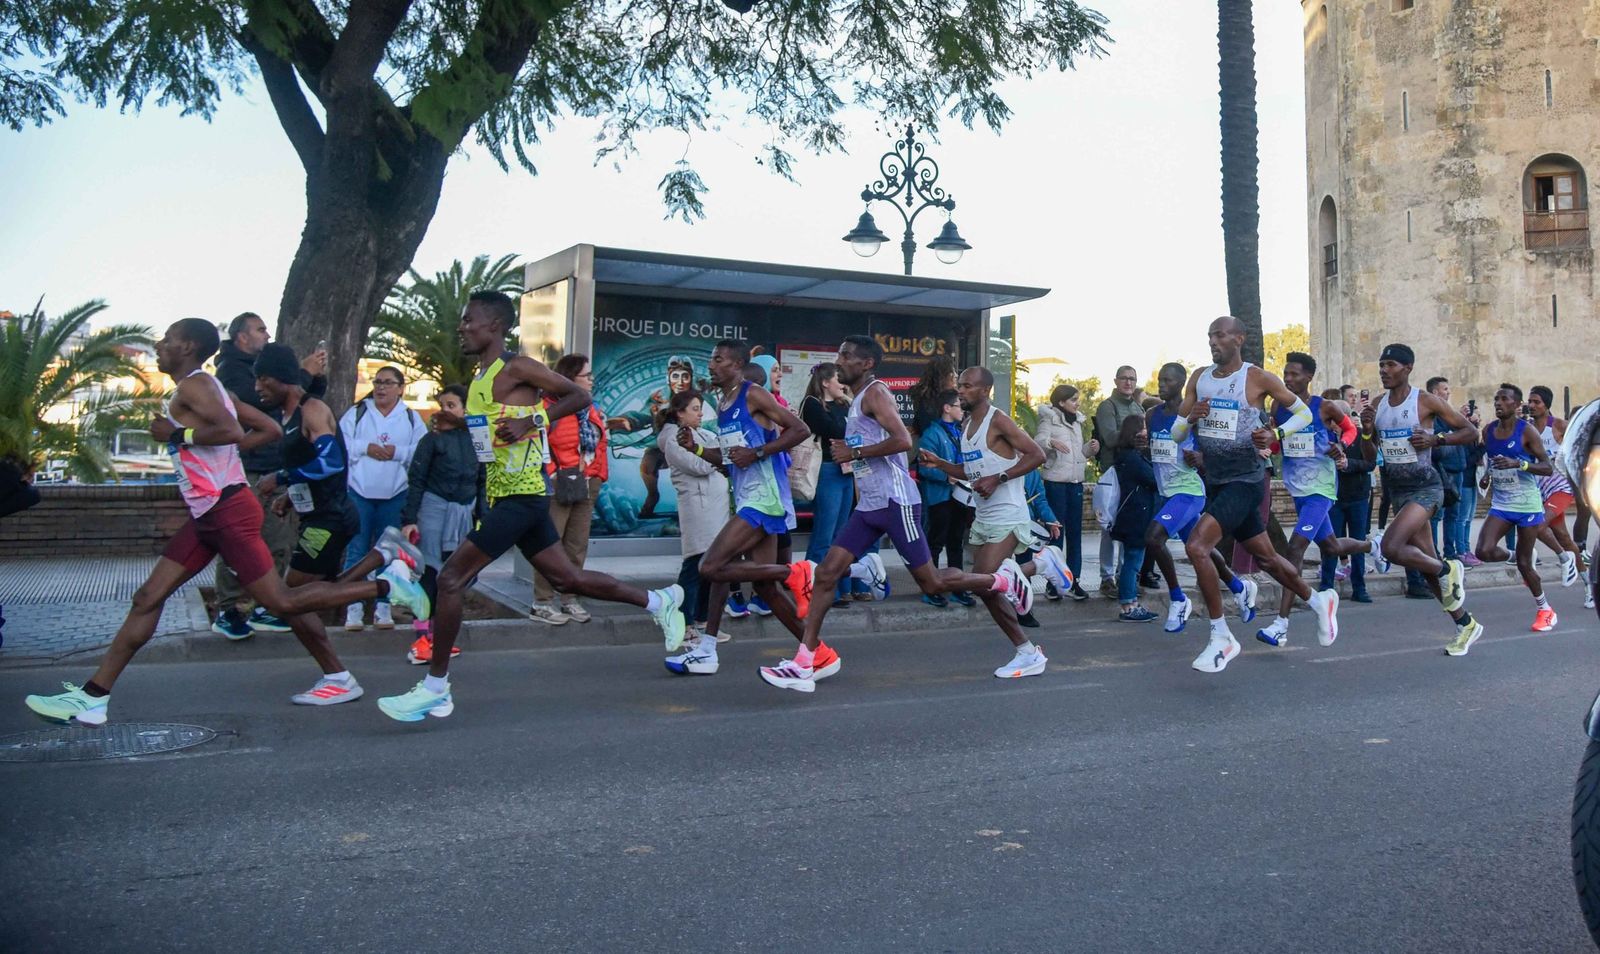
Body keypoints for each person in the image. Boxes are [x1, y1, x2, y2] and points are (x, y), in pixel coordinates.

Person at [24, 320, 427, 726]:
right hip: (209, 513)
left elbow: (232, 430)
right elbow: (266, 429)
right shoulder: (214, 388)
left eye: (166, 340)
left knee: (281, 602)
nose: (159, 346)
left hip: (227, 511)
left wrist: (179, 436)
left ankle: (387, 586)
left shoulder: (195, 387)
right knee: (148, 596)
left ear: (186, 347)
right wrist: (226, 463)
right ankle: (94, 697)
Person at [375, 293, 684, 721]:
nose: (462, 327)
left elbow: (577, 396)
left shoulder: (515, 367)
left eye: (469, 320)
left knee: (450, 580)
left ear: (495, 326)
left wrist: (533, 420)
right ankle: (659, 602)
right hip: (509, 495)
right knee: (566, 577)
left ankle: (435, 687)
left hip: (523, 495)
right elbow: (493, 433)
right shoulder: (480, 376)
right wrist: (460, 424)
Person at [759, 345, 1045, 693]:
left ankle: (1000, 583)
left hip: (897, 504)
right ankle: (810, 658)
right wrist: (937, 464)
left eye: (848, 355)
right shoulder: (858, 400)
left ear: (867, 363)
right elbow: (964, 467)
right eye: (839, 356)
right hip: (871, 506)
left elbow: (900, 441)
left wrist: (855, 452)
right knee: (827, 572)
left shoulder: (876, 393)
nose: (840, 361)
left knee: (933, 584)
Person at [250, 342, 419, 706]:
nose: (257, 387)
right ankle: (382, 558)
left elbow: (331, 463)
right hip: (319, 516)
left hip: (329, 521)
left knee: (288, 600)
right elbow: (312, 469)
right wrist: (290, 493)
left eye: (263, 379)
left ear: (282, 377)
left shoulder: (312, 410)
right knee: (304, 601)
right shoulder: (289, 413)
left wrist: (280, 476)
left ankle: (387, 588)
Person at [1174, 317, 1339, 674]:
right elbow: (1176, 432)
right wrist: (1191, 418)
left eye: (1219, 335)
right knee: (1266, 559)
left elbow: (1299, 412)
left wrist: (1275, 434)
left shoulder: (1256, 377)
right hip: (1216, 478)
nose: (1213, 342)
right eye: (1209, 336)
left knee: (1197, 547)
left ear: (1239, 339)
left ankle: (1221, 636)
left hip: (1247, 480)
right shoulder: (1199, 377)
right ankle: (1318, 601)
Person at [671, 339, 818, 678]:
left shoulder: (753, 394)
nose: (710, 365)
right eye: (710, 358)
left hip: (764, 499)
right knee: (758, 585)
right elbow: (728, 461)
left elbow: (800, 429)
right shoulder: (723, 404)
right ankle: (815, 652)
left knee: (711, 566)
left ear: (736, 365)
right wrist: (695, 448)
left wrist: (759, 453)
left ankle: (797, 573)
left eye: (718, 359)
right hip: (746, 496)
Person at [209, 310, 328, 639]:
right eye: (260, 330)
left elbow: (301, 398)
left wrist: (315, 376)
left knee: (278, 541)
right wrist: (303, 372)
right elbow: (260, 404)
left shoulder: (262, 367)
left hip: (276, 468)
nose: (266, 335)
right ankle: (230, 609)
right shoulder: (232, 371)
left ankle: (265, 606)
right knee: (242, 539)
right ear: (241, 338)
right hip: (249, 469)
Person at [1362, 342, 1482, 656]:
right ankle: (1465, 623)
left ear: (1408, 368)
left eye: (1391, 365)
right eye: (1382, 365)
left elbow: (1470, 432)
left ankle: (1449, 570)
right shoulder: (1378, 405)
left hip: (1426, 488)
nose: (1384, 370)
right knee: (1428, 571)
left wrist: (1435, 439)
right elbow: (1369, 455)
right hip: (1398, 491)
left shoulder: (1425, 401)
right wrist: (1364, 432)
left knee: (1391, 547)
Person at [1254, 352, 1371, 648]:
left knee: (1295, 549)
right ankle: (1375, 546)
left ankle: (1281, 624)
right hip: (1298, 489)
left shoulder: (1324, 406)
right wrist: (1271, 445)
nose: (1289, 379)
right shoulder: (1279, 406)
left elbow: (1350, 429)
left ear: (1308, 377)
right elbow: (1282, 443)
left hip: (1321, 489)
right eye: (1286, 374)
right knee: (1330, 546)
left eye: (1295, 374)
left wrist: (1341, 447)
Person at [1142, 362, 1258, 634]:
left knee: (1153, 538)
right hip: (1167, 491)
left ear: (1182, 384)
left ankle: (1177, 598)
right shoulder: (1151, 415)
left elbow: (1216, 448)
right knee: (1202, 548)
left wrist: (1202, 458)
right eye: (1160, 379)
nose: (1162, 384)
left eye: (1168, 380)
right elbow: (1157, 452)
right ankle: (1239, 587)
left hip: (1190, 491)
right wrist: (1144, 449)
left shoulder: (1196, 413)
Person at [399, 384, 484, 666]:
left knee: (454, 575)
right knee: (429, 574)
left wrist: (482, 516)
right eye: (442, 405)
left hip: (464, 512)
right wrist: (410, 519)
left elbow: (483, 479)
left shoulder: (478, 437)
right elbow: (417, 480)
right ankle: (421, 639)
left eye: (452, 405)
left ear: (465, 408)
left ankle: (441, 638)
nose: (445, 411)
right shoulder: (431, 440)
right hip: (433, 510)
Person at [339, 365, 428, 630]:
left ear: (401, 388)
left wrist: (396, 452)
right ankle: (353, 610)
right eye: (378, 382)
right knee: (356, 550)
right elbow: (341, 445)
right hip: (359, 492)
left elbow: (421, 453)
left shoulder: (411, 418)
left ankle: (383, 608)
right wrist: (367, 448)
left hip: (394, 494)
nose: (381, 387)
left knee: (388, 554)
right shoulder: (357, 412)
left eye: (388, 383)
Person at [529, 353, 609, 624]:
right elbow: (538, 444)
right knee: (552, 544)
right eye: (586, 375)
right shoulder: (547, 407)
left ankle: (569, 598)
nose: (591, 380)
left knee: (577, 545)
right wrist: (552, 474)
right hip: (560, 482)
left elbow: (599, 443)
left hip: (587, 482)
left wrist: (596, 474)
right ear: (569, 379)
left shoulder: (591, 408)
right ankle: (542, 601)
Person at [1474, 384, 1559, 632]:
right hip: (1501, 503)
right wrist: (1488, 477)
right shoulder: (1488, 430)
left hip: (1527, 504)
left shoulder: (1527, 432)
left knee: (1525, 565)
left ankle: (1545, 609)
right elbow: (1492, 459)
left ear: (1516, 405)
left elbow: (1547, 467)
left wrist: (1519, 464)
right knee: (1484, 551)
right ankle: (1511, 555)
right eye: (1496, 399)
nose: (1498, 403)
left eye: (1504, 399)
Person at [658, 388, 732, 659]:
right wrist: (717, 456)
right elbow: (700, 464)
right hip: (698, 508)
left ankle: (701, 619)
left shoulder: (702, 434)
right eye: (694, 409)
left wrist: (716, 454)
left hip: (717, 507)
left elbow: (719, 452)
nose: (700, 413)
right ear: (679, 413)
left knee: (711, 565)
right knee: (694, 564)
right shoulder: (672, 438)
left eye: (701, 408)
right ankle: (684, 621)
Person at [800, 362, 871, 605]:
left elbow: (858, 430)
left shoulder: (844, 405)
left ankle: (838, 587)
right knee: (824, 533)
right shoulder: (812, 404)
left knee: (842, 535)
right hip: (828, 470)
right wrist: (850, 430)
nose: (843, 383)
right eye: (838, 379)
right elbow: (834, 429)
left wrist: (851, 404)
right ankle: (811, 586)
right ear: (825, 382)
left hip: (847, 471)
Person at [607, 354, 695, 519]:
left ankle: (688, 505)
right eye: (676, 376)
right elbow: (641, 416)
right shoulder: (659, 397)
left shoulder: (699, 397)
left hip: (691, 445)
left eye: (685, 376)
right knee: (647, 465)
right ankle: (653, 496)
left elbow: (710, 421)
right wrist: (626, 421)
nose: (681, 381)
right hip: (661, 444)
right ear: (668, 378)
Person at [1033, 383, 1097, 600]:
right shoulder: (1048, 418)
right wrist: (1051, 442)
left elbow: (1077, 453)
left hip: (1076, 482)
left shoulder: (1077, 421)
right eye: (1073, 399)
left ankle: (1074, 580)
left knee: (1075, 534)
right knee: (1056, 533)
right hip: (1056, 482)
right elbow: (1038, 442)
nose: (1077, 403)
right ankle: (1054, 583)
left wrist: (1089, 449)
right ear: (1061, 402)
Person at [917, 389, 976, 608]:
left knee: (956, 542)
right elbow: (923, 469)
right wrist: (946, 476)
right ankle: (930, 588)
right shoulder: (931, 434)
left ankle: (957, 588)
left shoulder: (960, 432)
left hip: (960, 496)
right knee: (935, 543)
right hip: (940, 496)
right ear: (947, 408)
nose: (962, 410)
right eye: (959, 406)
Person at [1319, 388, 1378, 602]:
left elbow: (1370, 463)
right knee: (1330, 544)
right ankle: (1326, 587)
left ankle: (1359, 588)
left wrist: (1348, 464)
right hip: (1332, 498)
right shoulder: (1324, 437)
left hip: (1357, 497)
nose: (1333, 423)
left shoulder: (1360, 436)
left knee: (1357, 543)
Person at [1094, 365, 1145, 597]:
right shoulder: (1107, 406)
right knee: (1109, 527)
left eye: (1132, 379)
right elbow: (1110, 438)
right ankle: (1107, 578)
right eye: (1124, 378)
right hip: (1113, 472)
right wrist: (1135, 435)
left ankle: (1126, 576)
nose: (1128, 382)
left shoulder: (1138, 406)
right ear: (1116, 381)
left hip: (1133, 473)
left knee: (1131, 527)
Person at [1528, 385, 1585, 587]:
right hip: (1538, 489)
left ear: (1547, 405)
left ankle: (1562, 558)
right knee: (1564, 537)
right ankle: (1588, 583)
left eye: (1537, 402)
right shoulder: (1526, 428)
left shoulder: (1559, 425)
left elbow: (1581, 441)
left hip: (1561, 487)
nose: (1532, 405)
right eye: (1530, 401)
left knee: (1537, 525)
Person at [1109, 415, 1158, 622]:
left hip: (1132, 514)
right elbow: (1154, 479)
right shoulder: (1133, 459)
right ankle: (1128, 605)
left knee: (1131, 560)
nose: (1146, 432)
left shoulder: (1125, 456)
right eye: (1143, 428)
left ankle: (1132, 603)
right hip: (1136, 516)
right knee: (1133, 561)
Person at [909, 356, 957, 437]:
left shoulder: (955, 397)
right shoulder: (927, 404)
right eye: (952, 372)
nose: (956, 375)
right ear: (942, 376)